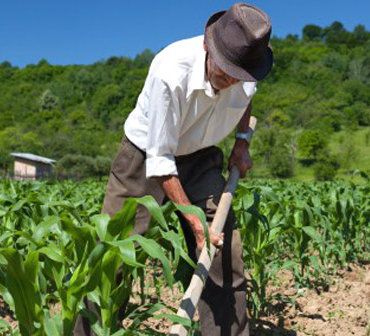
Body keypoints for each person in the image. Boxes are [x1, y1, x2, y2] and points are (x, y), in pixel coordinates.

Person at [73, 3, 273, 335]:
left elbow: (246, 97)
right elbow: (161, 161)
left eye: (238, 77)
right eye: (223, 73)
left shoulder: (249, 65)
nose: (229, 84)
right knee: (114, 258)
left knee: (224, 254)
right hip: (145, 156)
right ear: (208, 46)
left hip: (202, 155)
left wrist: (241, 142)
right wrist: (195, 224)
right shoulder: (171, 70)